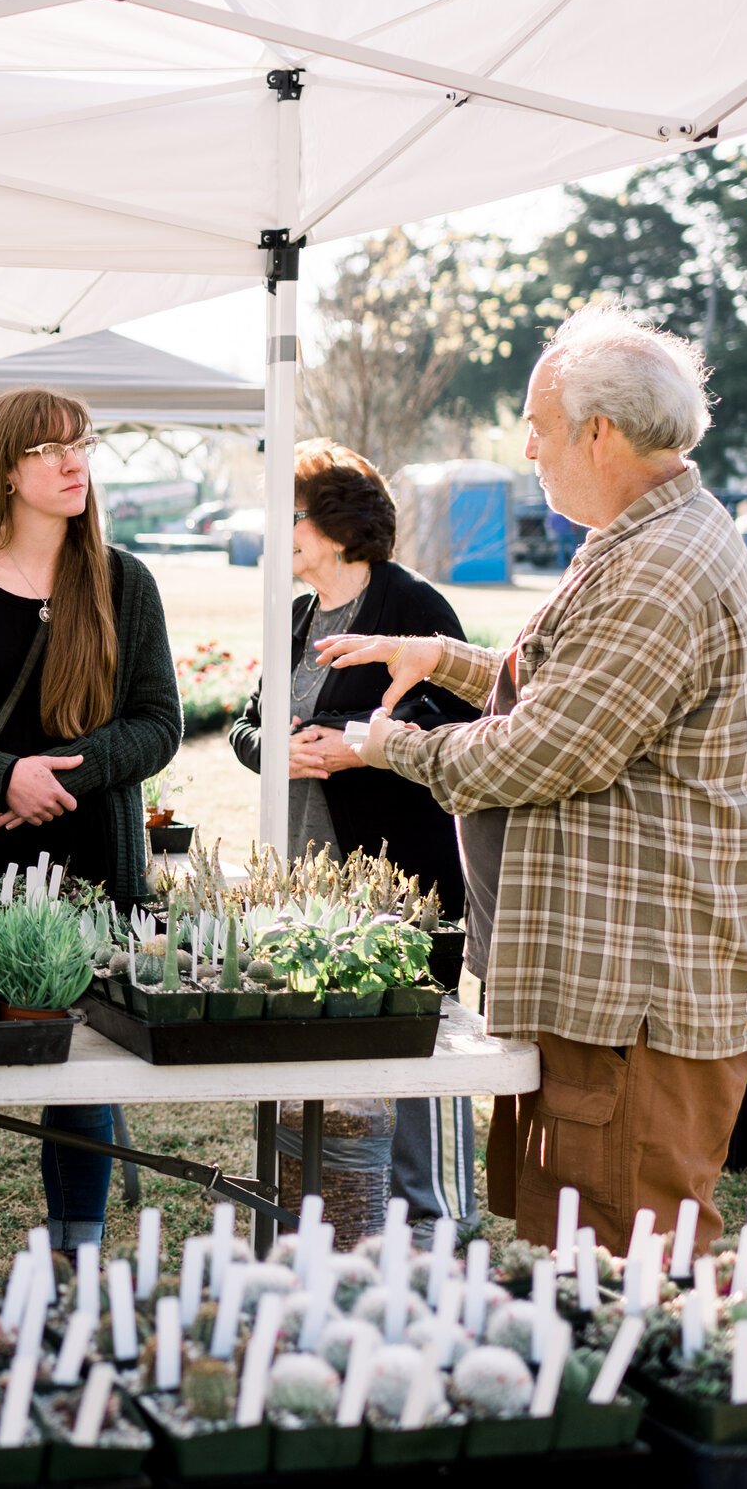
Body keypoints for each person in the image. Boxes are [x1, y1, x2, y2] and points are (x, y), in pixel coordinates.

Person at [331, 302, 747, 1255]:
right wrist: (441, 656)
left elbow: (547, 750)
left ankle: (649, 1407)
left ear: (600, 431)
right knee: (583, 1240)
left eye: (536, 428)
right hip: (618, 990)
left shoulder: (660, 565)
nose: (528, 449)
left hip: (640, 998)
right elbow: (576, 684)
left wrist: (384, 747)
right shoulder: (644, 536)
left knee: (629, 1255)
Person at [0, 387, 181, 1268]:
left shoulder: (126, 582)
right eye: (48, 448)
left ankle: (75, 1263)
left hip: (92, 861)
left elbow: (158, 722)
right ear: (4, 470)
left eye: (83, 443)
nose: (73, 461)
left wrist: (58, 780)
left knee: (82, 1077)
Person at [227, 440, 483, 1241]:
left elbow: (466, 729)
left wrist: (349, 740)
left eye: (291, 515)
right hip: (306, 871)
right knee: (322, 1033)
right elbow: (246, 725)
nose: (279, 530)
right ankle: (335, 1209)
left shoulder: (413, 609)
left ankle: (433, 1217)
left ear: (335, 526)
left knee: (417, 1037)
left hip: (400, 870)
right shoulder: (295, 616)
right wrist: (278, 749)